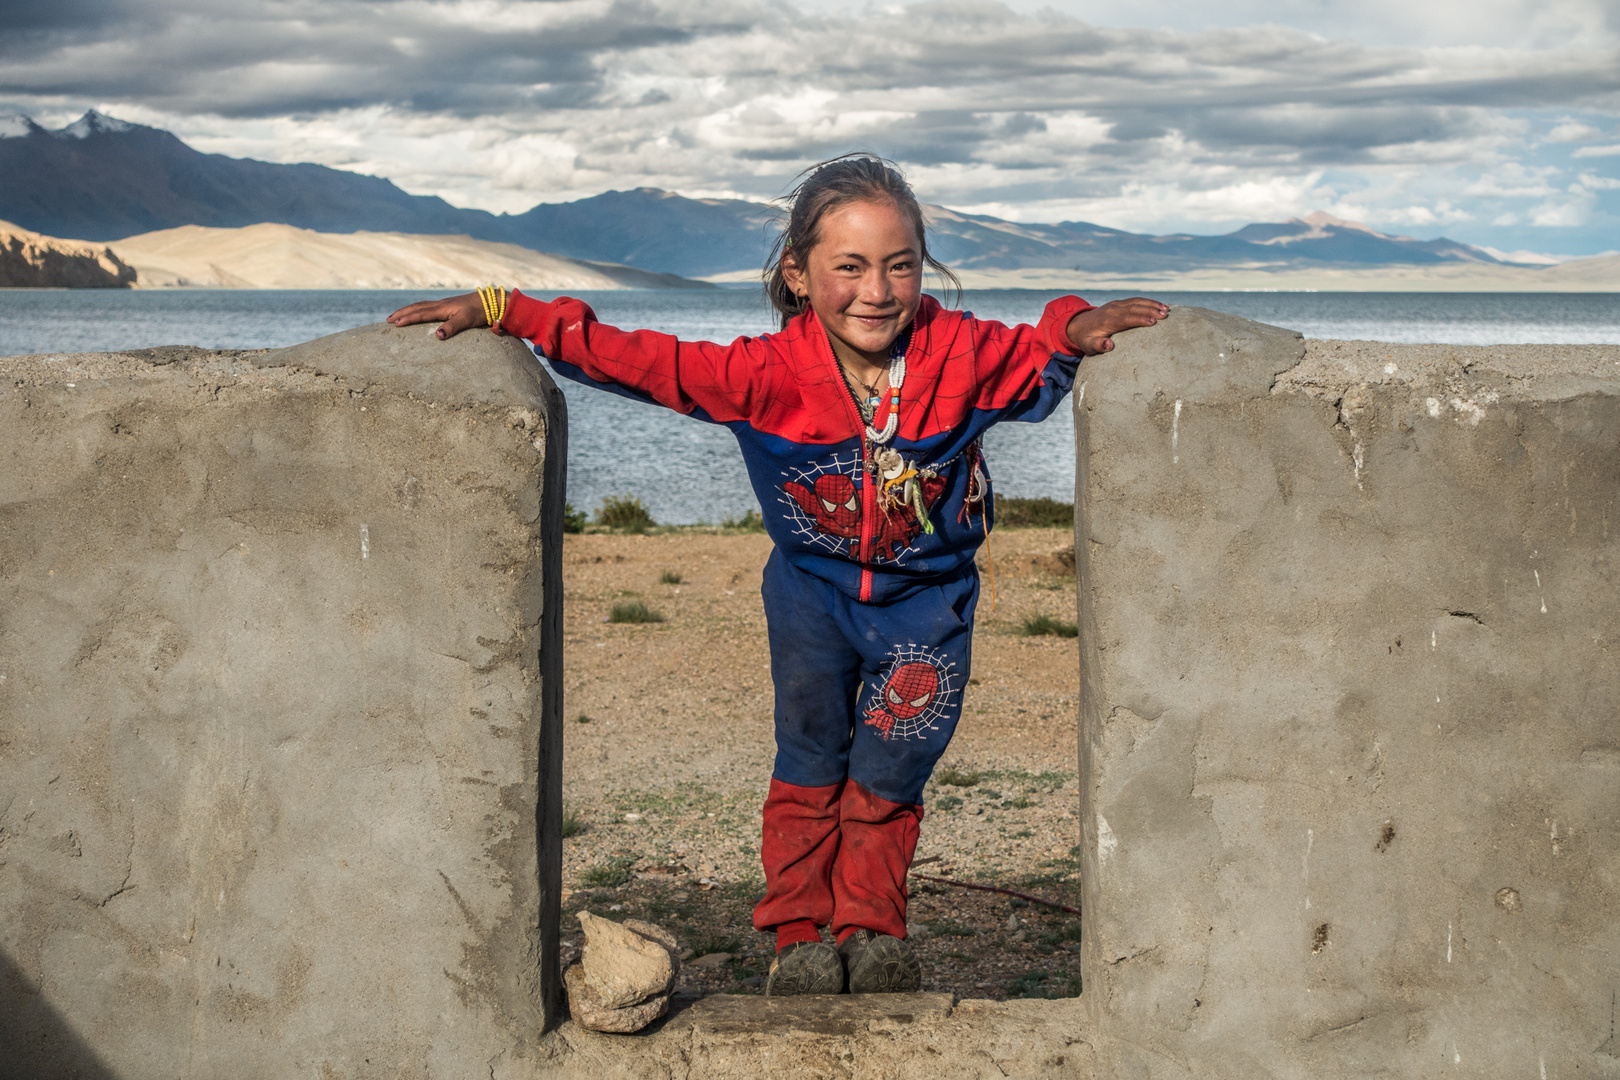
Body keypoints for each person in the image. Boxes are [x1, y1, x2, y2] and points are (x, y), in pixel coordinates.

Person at [388, 154, 1168, 997]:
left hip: (929, 607)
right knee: (808, 763)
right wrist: (509, 309)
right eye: (850, 267)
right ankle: (797, 934)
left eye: (900, 265)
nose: (878, 290)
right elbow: (637, 359)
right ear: (798, 275)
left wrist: (1079, 324)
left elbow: (1039, 347)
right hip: (809, 600)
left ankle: (873, 929)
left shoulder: (960, 357)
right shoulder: (762, 376)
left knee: (890, 769)